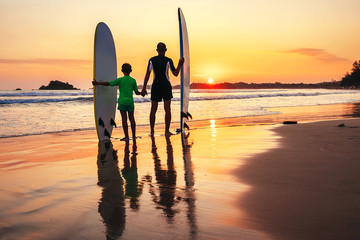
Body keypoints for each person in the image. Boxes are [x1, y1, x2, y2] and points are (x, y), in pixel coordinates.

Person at [141, 42, 184, 136]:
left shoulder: (152, 60)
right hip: (165, 86)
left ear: (157, 50)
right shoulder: (168, 60)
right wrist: (180, 64)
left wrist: (144, 88)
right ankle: (167, 131)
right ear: (165, 50)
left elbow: (147, 74)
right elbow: (176, 73)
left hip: (156, 85)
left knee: (153, 109)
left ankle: (152, 132)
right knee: (167, 109)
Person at [93, 63, 143, 141]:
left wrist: (97, 83)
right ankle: (133, 136)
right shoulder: (133, 80)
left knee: (124, 119)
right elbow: (137, 92)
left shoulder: (120, 80)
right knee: (132, 119)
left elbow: (108, 84)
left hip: (122, 102)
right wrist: (142, 93)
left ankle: (126, 137)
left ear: (122, 71)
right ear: (131, 71)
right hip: (130, 102)